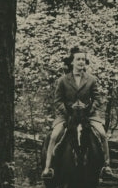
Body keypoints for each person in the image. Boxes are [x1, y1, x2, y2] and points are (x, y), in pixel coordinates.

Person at [42, 46, 112, 180]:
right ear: (72, 62)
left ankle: (106, 166)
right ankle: (48, 167)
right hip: (67, 116)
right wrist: (68, 110)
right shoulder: (63, 80)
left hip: (88, 115)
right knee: (54, 136)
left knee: (102, 134)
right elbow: (57, 101)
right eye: (78, 59)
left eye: (83, 60)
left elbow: (98, 99)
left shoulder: (91, 80)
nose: (81, 62)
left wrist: (89, 109)